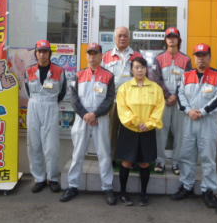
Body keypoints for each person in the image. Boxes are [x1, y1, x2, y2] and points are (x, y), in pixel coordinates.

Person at [60, 43, 117, 205]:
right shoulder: (78, 75)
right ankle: (72, 186)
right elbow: (73, 98)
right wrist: (85, 114)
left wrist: (95, 114)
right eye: (90, 54)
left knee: (104, 154)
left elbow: (110, 99)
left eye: (95, 53)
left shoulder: (108, 75)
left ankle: (107, 187)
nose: (92, 57)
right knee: (77, 153)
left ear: (101, 56)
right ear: (86, 56)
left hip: (101, 118)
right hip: (82, 118)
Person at [173, 43, 217, 208]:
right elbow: (180, 94)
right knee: (187, 155)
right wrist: (189, 111)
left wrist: (203, 111)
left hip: (207, 122)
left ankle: (208, 190)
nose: (201, 59)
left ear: (210, 57)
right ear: (194, 58)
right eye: (198, 55)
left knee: (208, 158)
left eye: (204, 55)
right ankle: (186, 186)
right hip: (189, 121)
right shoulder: (186, 75)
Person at [116, 56, 165, 206]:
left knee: (145, 163)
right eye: (136, 67)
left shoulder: (155, 88)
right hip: (129, 129)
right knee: (126, 161)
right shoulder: (125, 88)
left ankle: (144, 194)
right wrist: (136, 122)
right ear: (131, 69)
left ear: (146, 69)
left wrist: (149, 123)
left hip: (147, 130)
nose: (139, 70)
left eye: (142, 67)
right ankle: (123, 193)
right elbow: (122, 108)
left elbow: (159, 107)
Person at [25, 39, 67, 193]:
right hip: (34, 105)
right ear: (36, 53)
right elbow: (27, 90)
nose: (42, 54)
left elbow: (62, 91)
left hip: (51, 105)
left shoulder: (59, 70)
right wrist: (37, 100)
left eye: (45, 51)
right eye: (39, 51)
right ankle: (39, 178)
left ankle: (53, 178)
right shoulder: (29, 71)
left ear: (50, 53)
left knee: (52, 146)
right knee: (34, 144)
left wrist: (51, 101)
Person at [149, 27, 192, 176]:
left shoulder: (186, 60)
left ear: (179, 40)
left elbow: (188, 81)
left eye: (174, 37)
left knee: (179, 134)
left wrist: (177, 96)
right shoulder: (159, 58)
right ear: (165, 40)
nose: (171, 39)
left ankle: (176, 163)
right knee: (161, 132)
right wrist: (168, 95)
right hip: (163, 102)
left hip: (180, 102)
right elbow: (155, 79)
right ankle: (160, 161)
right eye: (169, 37)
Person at [102, 26, 142, 159]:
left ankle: (128, 159)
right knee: (111, 131)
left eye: (125, 36)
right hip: (112, 102)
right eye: (120, 35)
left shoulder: (137, 56)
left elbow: (143, 78)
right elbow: (102, 79)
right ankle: (111, 158)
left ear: (129, 38)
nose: (123, 38)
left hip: (131, 103)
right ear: (115, 38)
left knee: (130, 131)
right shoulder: (107, 56)